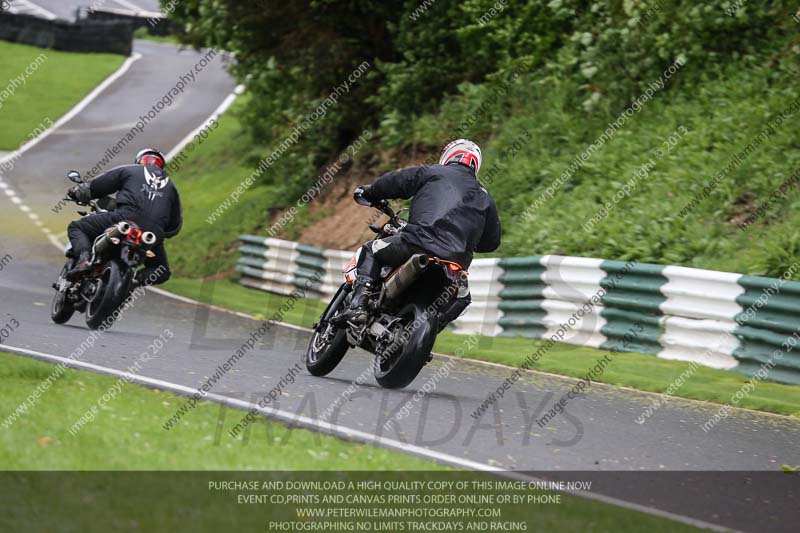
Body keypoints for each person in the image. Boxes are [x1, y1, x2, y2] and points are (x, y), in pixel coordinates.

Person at [339, 138, 501, 324]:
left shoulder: (434, 172)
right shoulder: (485, 197)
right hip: (455, 264)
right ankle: (428, 336)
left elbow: (396, 182)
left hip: (417, 243)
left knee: (370, 250)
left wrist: (370, 192)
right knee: (462, 298)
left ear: (450, 155)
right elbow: (491, 242)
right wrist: (462, 240)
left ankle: (359, 306)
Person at [65, 148, 182, 285]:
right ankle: (133, 282)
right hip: (153, 232)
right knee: (161, 270)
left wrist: (77, 193)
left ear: (139, 161)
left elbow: (96, 187)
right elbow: (174, 227)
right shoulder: (172, 188)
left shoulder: (130, 170)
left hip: (124, 217)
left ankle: (84, 260)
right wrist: (157, 228)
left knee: (76, 227)